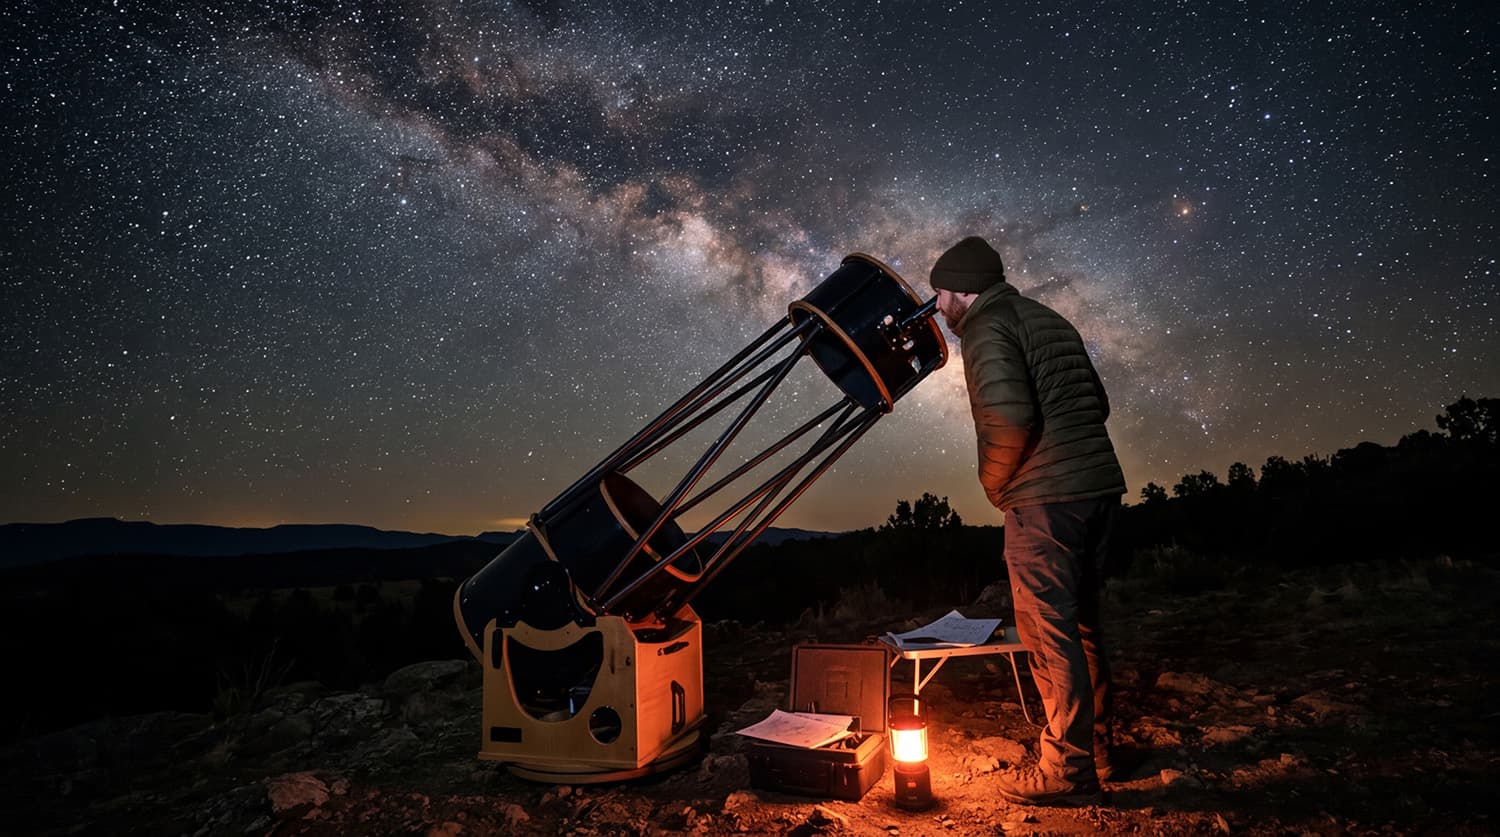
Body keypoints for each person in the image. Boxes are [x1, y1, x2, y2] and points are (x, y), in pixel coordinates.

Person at [929, 235, 1127, 807]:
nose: (939, 308)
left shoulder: (989, 328)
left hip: (1046, 499)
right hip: (1098, 491)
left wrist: (996, 484)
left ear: (964, 289)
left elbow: (1009, 417)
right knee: (1083, 623)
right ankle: (1099, 750)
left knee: (1047, 633)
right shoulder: (1047, 318)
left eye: (942, 294)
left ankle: (1065, 770)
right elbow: (1099, 402)